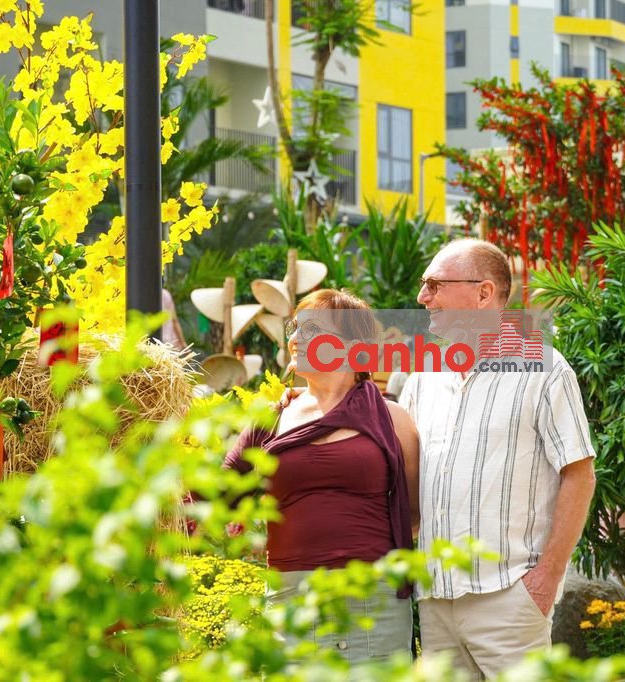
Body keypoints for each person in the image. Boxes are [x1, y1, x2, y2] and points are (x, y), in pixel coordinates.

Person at [399, 239, 596, 680]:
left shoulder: (545, 368)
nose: (422, 297)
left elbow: (580, 475)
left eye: (435, 284)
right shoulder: (422, 376)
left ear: (484, 293)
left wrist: (546, 580)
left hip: (510, 598)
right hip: (436, 602)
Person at [223, 289, 420, 663]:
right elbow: (216, 494)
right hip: (291, 603)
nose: (295, 339)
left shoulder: (393, 420)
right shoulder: (272, 419)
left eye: (311, 330)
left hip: (373, 603)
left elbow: (413, 513)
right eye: (295, 328)